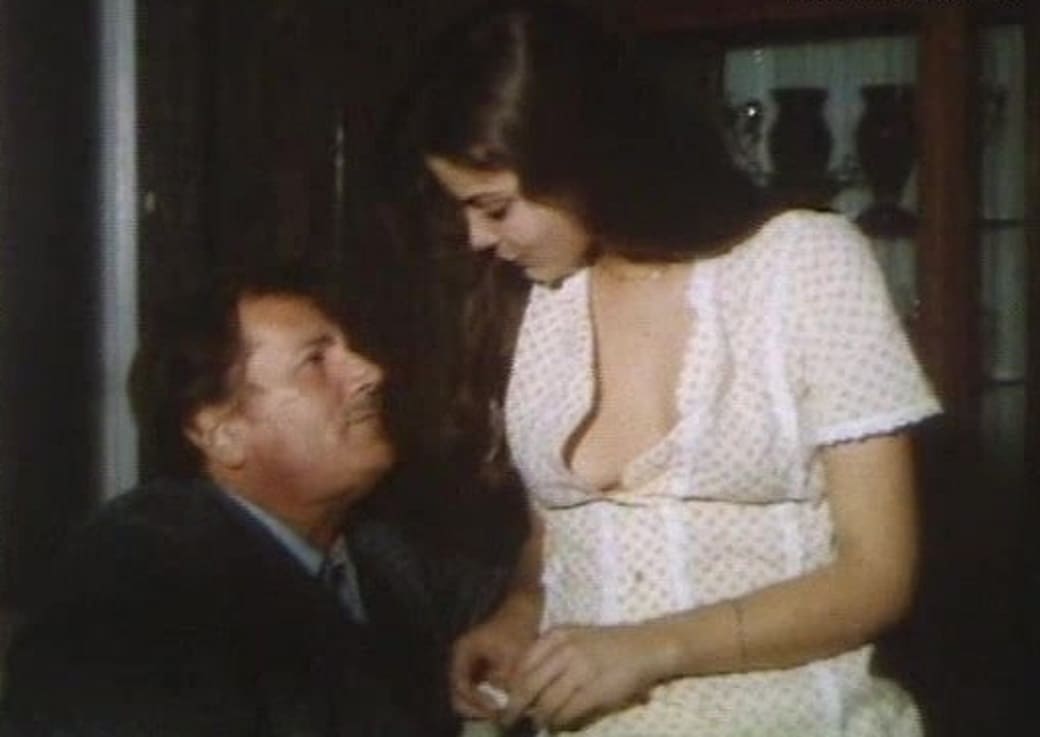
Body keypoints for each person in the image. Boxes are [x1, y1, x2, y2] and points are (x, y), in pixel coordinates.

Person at [384, 1, 943, 735]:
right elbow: (553, 536)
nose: (477, 238)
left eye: (495, 207)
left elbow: (877, 576)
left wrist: (653, 648)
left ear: (581, 161)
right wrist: (521, 612)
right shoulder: (536, 296)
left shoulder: (804, 264)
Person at [0, 264, 510, 737]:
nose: (369, 372)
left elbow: (513, 601)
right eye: (315, 360)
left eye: (348, 350)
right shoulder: (138, 583)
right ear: (222, 433)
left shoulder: (378, 551)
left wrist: (523, 613)